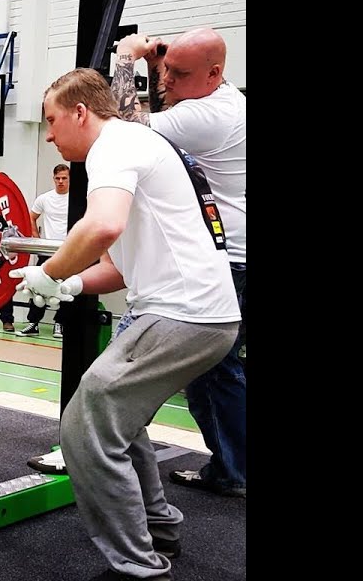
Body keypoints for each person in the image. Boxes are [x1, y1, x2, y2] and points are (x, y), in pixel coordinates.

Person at [12, 67, 240, 580]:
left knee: (85, 427)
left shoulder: (113, 145)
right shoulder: (139, 144)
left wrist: (50, 272)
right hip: (199, 314)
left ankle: (138, 565)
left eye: (51, 120)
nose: (48, 135)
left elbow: (102, 226)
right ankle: (158, 529)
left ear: (80, 112)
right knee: (122, 421)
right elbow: (117, 266)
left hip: (181, 315)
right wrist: (70, 285)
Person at [112, 29, 247, 498]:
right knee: (213, 372)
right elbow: (160, 115)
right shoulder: (216, 98)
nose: (167, 78)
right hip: (226, 253)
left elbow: (125, 130)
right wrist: (159, 67)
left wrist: (127, 60)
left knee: (210, 369)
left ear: (215, 74)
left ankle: (233, 469)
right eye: (166, 69)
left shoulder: (209, 114)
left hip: (226, 259)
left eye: (180, 73)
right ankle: (231, 468)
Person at [15, 163, 71, 338]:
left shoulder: (77, 198)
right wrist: (36, 238)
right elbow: (31, 217)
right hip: (46, 251)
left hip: (68, 251)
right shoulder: (44, 199)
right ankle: (33, 324)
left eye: (64, 178)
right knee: (37, 286)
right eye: (58, 178)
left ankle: (60, 324)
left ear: (69, 179)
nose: (61, 181)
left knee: (66, 289)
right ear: (53, 179)